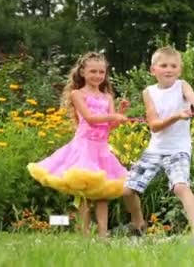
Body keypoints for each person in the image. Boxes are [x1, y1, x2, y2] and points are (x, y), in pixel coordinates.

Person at [28, 52, 130, 237]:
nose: (97, 76)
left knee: (103, 195)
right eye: (93, 71)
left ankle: (103, 235)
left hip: (102, 149)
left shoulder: (107, 97)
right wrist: (112, 116)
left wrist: (121, 113)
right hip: (84, 148)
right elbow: (91, 119)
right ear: (82, 72)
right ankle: (85, 234)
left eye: (101, 72)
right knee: (83, 194)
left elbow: (110, 127)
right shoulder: (77, 94)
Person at [122, 46, 194, 242]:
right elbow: (155, 126)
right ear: (153, 70)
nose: (169, 69)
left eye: (173, 65)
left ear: (179, 69)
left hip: (179, 149)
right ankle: (138, 223)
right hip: (155, 149)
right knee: (127, 190)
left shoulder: (182, 85)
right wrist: (176, 116)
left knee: (180, 187)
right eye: (163, 65)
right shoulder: (148, 92)